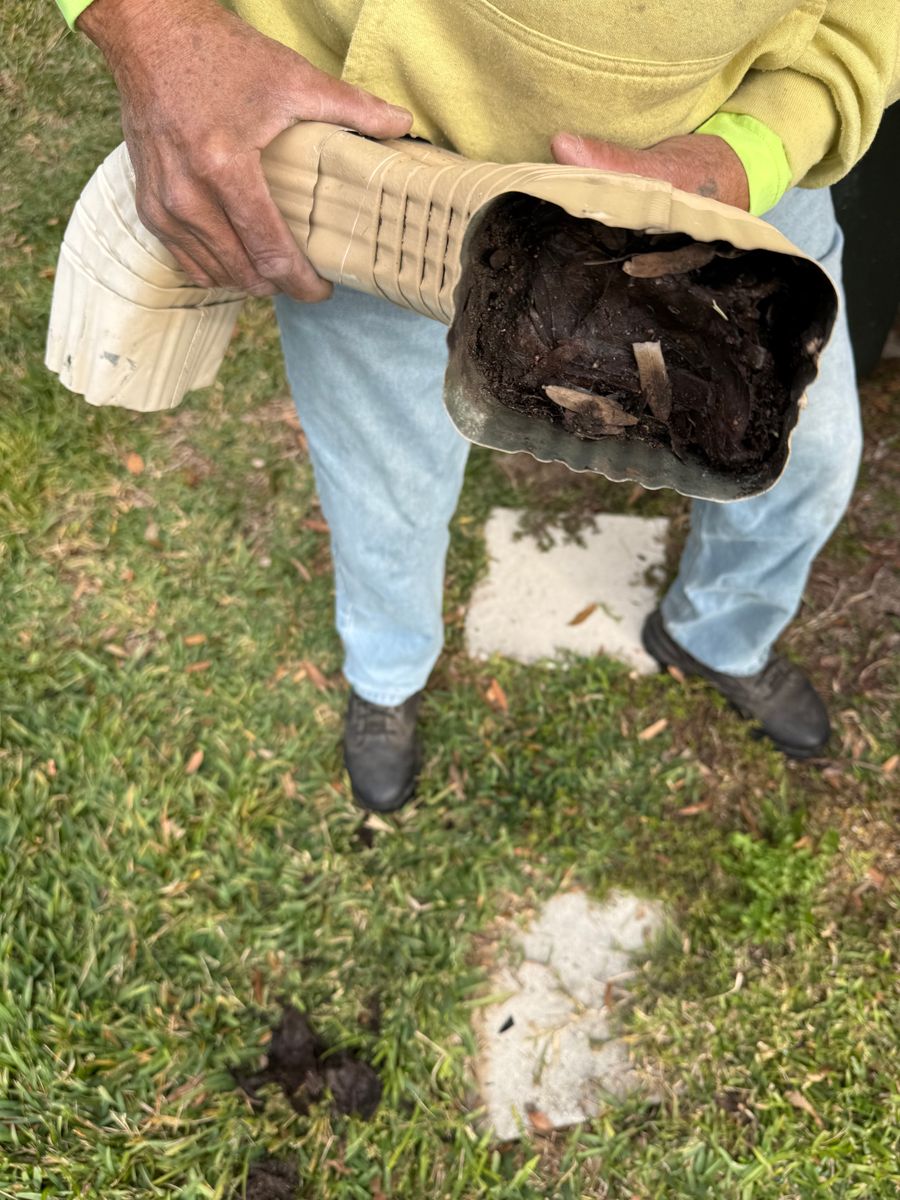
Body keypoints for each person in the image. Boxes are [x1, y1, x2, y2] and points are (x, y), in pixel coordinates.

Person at [60, 0, 899, 811]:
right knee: (383, 488)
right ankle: (387, 676)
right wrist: (153, 23)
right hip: (378, 175)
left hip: (726, 182)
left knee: (802, 460)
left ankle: (718, 634)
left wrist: (763, 141)